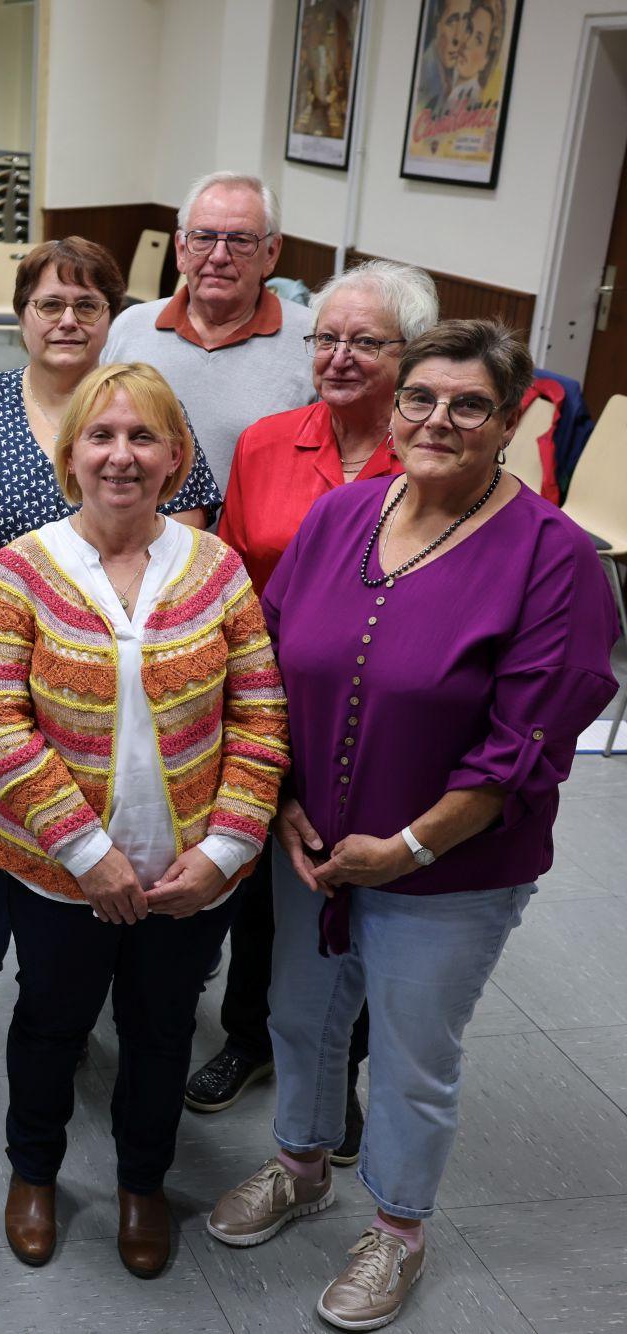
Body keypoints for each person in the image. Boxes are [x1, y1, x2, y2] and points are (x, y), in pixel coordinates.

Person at [207, 321, 619, 1332]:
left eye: (467, 403)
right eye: (419, 398)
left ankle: (396, 1229)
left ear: (513, 417)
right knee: (299, 1016)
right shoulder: (341, 513)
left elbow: (523, 742)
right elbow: (267, 657)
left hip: (449, 866)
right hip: (310, 847)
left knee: (405, 1050)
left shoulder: (553, 558)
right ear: (392, 409)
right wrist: (287, 803)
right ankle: (299, 1166)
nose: (437, 419)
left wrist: (409, 846)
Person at [0, 362, 289, 1280]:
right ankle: (34, 1172)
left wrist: (227, 848)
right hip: (58, 872)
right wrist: (86, 851)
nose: (122, 456)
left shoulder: (216, 567)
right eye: (100, 437)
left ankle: (143, 1182)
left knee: (161, 1033)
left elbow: (261, 711)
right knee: (50, 1026)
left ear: (177, 457)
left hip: (190, 875)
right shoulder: (24, 567)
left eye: (143, 437)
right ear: (70, 457)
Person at [0, 238, 220, 1070]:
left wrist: (90, 631)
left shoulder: (149, 405)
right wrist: (18, 623)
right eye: (49, 303)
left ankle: (82, 987)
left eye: (88, 305)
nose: (67, 320)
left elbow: (187, 532)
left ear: (111, 318)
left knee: (111, 819)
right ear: (20, 317)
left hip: (130, 671)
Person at [189, 260, 439, 1126]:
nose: (337, 356)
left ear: (412, 357)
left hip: (388, 720)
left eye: (364, 342)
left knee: (370, 891)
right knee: (262, 889)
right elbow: (224, 572)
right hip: (269, 703)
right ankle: (249, 1039)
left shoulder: (437, 464)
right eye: (325, 338)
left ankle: (344, 1070)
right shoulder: (267, 442)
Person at [101, 172, 316, 484]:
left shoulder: (314, 341)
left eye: (241, 241)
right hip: (134, 530)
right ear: (181, 249)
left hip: (248, 535)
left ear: (271, 254)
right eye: (203, 238)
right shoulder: (130, 327)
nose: (218, 257)